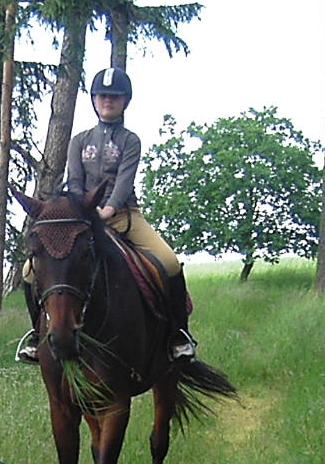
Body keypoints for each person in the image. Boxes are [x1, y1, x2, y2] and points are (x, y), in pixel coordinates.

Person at [17, 67, 197, 363]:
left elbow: (124, 182)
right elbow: (74, 179)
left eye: (114, 97)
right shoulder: (79, 140)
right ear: (94, 100)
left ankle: (179, 335)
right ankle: (38, 336)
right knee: (29, 271)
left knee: (170, 262)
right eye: (102, 96)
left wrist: (108, 209)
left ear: (125, 101)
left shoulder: (130, 141)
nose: (107, 101)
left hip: (124, 215)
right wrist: (80, 209)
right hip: (82, 219)